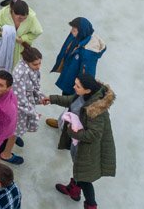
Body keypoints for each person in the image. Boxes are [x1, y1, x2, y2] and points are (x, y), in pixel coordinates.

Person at [49, 73, 116, 207]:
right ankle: (74, 190)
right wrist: (51, 99)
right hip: (79, 145)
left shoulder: (96, 110)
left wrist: (71, 132)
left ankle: (91, 205)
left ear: (88, 90)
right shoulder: (83, 96)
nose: (74, 87)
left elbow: (94, 134)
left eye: (78, 86)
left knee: (84, 179)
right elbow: (71, 100)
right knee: (79, 171)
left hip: (88, 150)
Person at [49, 18, 106, 97]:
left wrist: (79, 91)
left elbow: (87, 75)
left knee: (68, 100)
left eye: (74, 30)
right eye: (72, 28)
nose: (71, 31)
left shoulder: (88, 53)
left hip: (75, 87)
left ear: (82, 32)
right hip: (69, 75)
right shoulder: (78, 37)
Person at [0, 0, 42, 72]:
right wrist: (3, 33)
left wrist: (23, 38)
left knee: (18, 70)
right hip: (5, 45)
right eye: (20, 18)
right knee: (3, 71)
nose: (22, 20)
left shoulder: (31, 17)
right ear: (12, 12)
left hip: (21, 48)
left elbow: (38, 31)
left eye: (25, 18)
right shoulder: (4, 13)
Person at [11, 46, 45, 151]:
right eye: (35, 64)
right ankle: (6, 154)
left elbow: (34, 87)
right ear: (26, 61)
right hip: (17, 108)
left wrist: (41, 97)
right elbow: (19, 101)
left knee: (17, 128)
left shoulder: (31, 68)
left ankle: (15, 136)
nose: (38, 67)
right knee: (13, 129)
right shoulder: (20, 75)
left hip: (26, 103)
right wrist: (33, 113)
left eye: (39, 63)